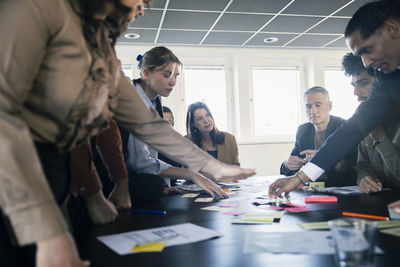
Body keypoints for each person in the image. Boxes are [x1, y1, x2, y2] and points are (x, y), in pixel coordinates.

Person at [0, 1, 255, 266]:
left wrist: (213, 167)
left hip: (62, 179)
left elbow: (150, 127)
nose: (143, 9)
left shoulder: (100, 46)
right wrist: (49, 230)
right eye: (141, 1)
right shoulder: (37, 10)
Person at [268, 1, 400, 210]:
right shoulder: (387, 78)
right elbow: (354, 128)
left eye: (368, 49)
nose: (366, 63)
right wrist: (300, 177)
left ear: (392, 29)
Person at [122, 46, 227, 204]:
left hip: (135, 173)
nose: (173, 82)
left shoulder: (154, 98)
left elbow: (152, 151)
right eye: (167, 75)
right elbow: (140, 162)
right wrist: (193, 174)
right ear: (146, 73)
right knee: (152, 183)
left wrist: (165, 184)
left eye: (176, 76)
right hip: (114, 179)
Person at [342, 53, 400, 193]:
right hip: (383, 203)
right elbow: (362, 165)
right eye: (353, 85)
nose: (356, 92)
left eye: (363, 83)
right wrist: (365, 178)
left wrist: (380, 138)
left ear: (383, 82)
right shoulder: (367, 119)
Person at [280, 86, 357, 187]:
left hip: (340, 186)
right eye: (308, 106)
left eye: (318, 105)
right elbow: (289, 170)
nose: (313, 111)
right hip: (312, 188)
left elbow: (355, 164)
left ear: (329, 106)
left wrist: (323, 158)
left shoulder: (344, 127)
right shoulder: (303, 131)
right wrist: (287, 165)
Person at [186, 102, 240, 166]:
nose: (206, 121)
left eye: (207, 115)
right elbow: (187, 170)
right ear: (193, 124)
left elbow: (236, 167)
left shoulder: (230, 139)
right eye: (199, 118)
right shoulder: (187, 142)